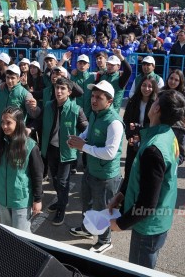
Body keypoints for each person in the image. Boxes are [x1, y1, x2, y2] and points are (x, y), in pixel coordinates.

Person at [108, 89, 185, 269]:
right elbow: (139, 175)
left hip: (149, 225)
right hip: (159, 219)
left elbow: (147, 203)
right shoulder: (167, 135)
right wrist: (121, 195)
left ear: (157, 109)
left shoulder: (154, 148)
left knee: (140, 269)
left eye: (154, 102)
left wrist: (120, 224)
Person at [67, 80, 124, 254]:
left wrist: (82, 147)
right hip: (91, 169)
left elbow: (110, 153)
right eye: (92, 96)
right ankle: (88, 228)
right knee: (87, 202)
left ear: (109, 101)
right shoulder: (95, 114)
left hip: (106, 176)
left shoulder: (114, 122)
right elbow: (89, 131)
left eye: (99, 97)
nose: (93, 100)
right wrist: (80, 138)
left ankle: (105, 240)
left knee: (102, 209)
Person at [40, 77, 88, 225]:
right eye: (57, 88)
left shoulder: (76, 109)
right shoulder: (48, 105)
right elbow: (38, 121)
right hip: (51, 149)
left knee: (62, 181)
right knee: (54, 178)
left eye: (63, 89)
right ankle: (62, 200)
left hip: (66, 152)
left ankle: (61, 208)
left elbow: (86, 128)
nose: (59, 91)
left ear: (69, 92)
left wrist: (81, 142)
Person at [121, 77, 159, 194]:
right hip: (133, 140)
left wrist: (140, 132)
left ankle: (141, 194)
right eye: (144, 85)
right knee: (130, 168)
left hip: (148, 140)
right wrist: (130, 136)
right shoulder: (133, 100)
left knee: (144, 169)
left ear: (154, 88)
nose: (146, 89)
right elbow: (126, 120)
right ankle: (125, 194)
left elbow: (155, 124)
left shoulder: (156, 103)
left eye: (149, 86)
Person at [162, 69, 185, 165]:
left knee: (178, 156)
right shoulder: (161, 92)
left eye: (176, 80)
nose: (172, 81)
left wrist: (180, 118)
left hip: (178, 129)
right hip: (162, 128)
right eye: (171, 78)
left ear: (181, 82)